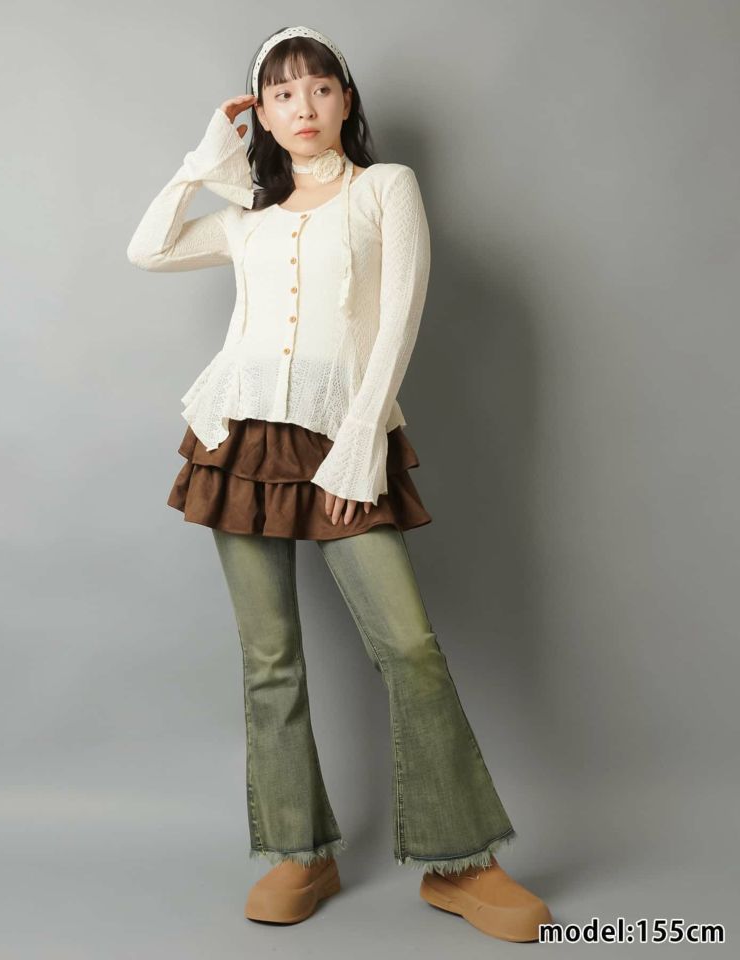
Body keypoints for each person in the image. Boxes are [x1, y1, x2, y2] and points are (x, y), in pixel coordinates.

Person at [127, 24, 552, 942]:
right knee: (269, 657)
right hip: (236, 439)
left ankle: (460, 862)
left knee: (410, 648)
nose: (304, 107)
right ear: (261, 114)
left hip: (341, 435)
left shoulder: (384, 189)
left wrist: (360, 441)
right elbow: (148, 250)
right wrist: (204, 160)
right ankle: (299, 851)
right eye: (281, 94)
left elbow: (400, 315)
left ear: (345, 100)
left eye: (319, 88)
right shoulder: (248, 218)